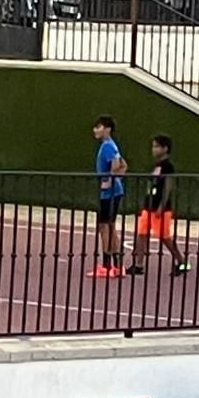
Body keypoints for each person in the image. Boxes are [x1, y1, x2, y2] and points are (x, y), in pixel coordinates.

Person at [127, 134, 190, 277]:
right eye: (153, 146)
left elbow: (168, 186)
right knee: (141, 234)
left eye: (156, 146)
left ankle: (182, 261)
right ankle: (139, 265)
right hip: (148, 205)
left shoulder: (168, 167)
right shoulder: (156, 165)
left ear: (165, 148)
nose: (153, 149)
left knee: (165, 237)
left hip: (160, 208)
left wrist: (161, 206)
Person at [90, 115, 127, 278]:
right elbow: (124, 165)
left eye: (99, 127)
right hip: (113, 191)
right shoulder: (111, 146)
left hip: (110, 193)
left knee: (105, 227)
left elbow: (118, 165)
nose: (95, 130)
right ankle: (117, 265)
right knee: (108, 226)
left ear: (107, 129)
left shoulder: (108, 146)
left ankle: (107, 265)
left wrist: (109, 181)